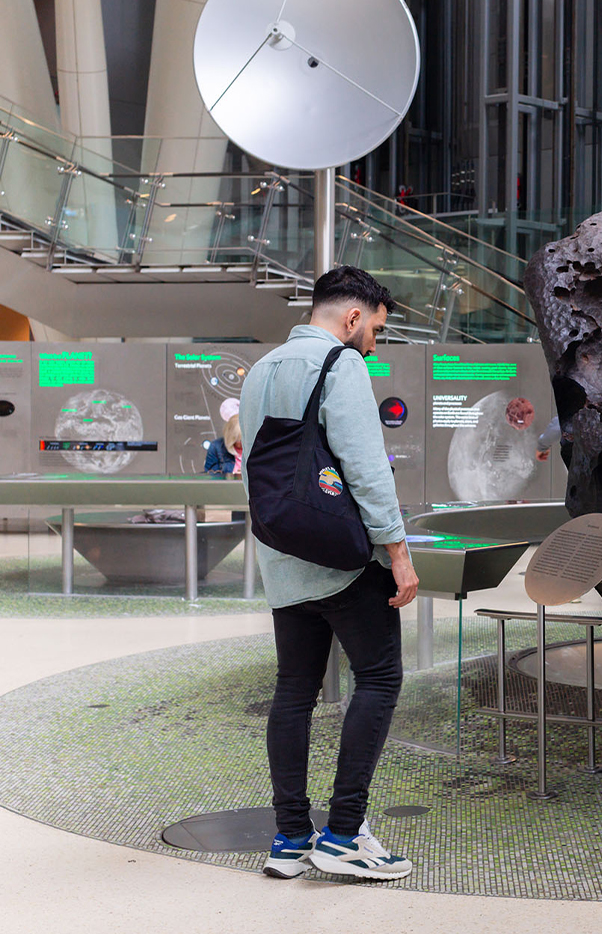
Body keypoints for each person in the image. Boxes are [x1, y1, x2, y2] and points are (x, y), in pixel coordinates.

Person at [238, 266, 420, 881]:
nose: (373, 340)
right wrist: (396, 552)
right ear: (351, 317)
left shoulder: (261, 370)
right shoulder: (343, 365)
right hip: (344, 563)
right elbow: (367, 468)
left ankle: (290, 837)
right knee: (378, 677)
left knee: (294, 691)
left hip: (284, 559)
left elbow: (255, 471)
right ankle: (343, 833)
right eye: (375, 327)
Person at [204, 398, 240, 477]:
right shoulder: (216, 447)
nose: (239, 443)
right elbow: (209, 477)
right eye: (236, 439)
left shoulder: (257, 447)